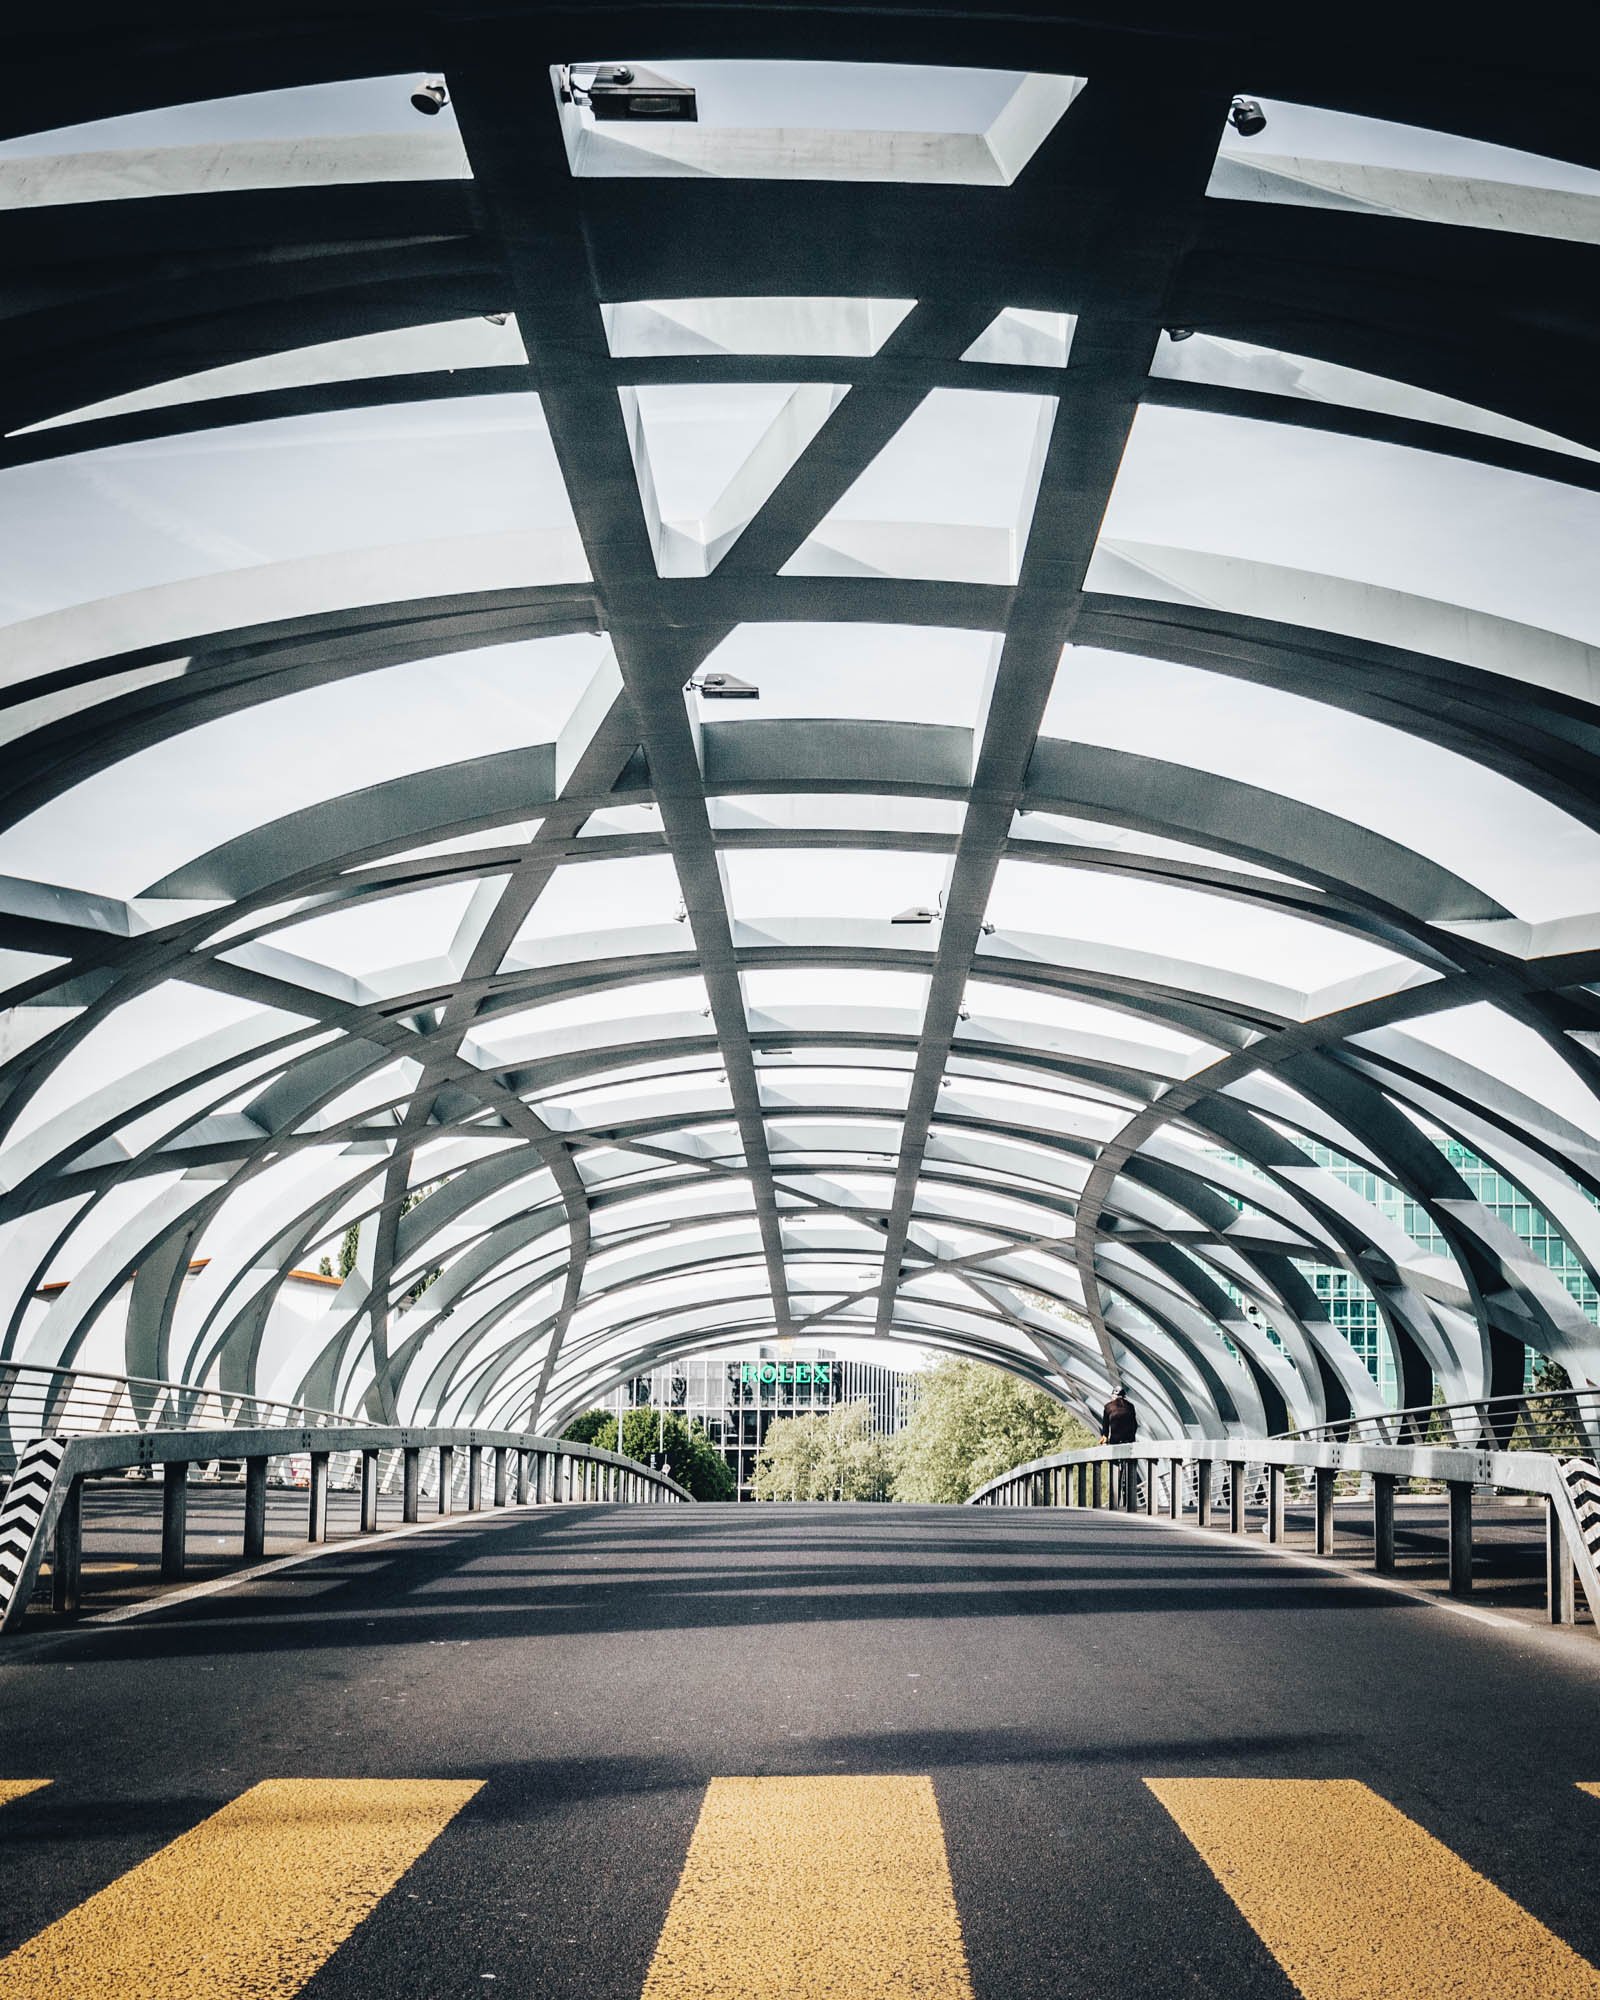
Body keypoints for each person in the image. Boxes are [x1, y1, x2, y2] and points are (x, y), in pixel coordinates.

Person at [1100, 1385, 1138, 1507]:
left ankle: (1115, 1494)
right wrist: (1131, 1437)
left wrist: (1104, 1438)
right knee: (1129, 1463)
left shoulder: (1108, 1407)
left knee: (1115, 1465)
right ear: (1124, 1396)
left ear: (1113, 1396)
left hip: (1115, 1440)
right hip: (1129, 1440)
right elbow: (1135, 1425)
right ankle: (1128, 1492)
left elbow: (1105, 1427)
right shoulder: (1130, 1406)